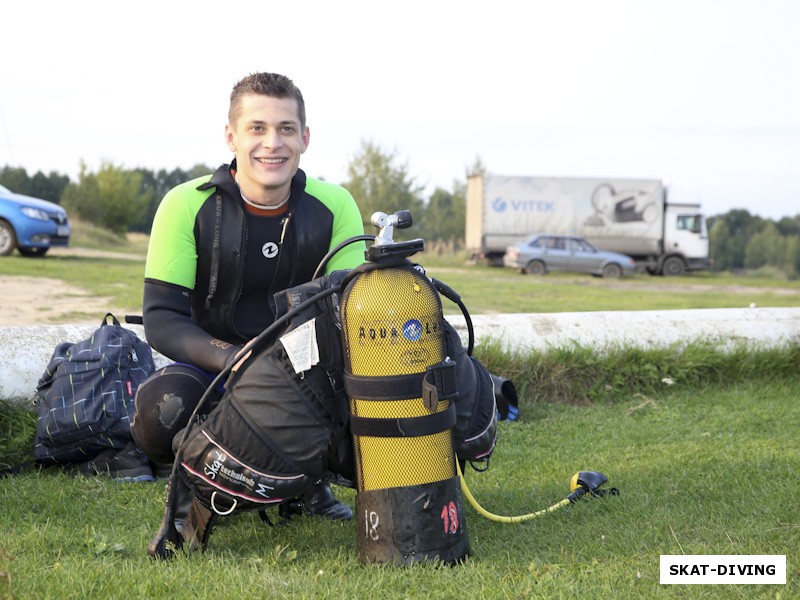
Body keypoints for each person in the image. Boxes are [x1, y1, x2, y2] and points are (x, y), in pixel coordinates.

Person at [131, 72, 366, 523]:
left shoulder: (335, 204)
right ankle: (204, 473)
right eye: (257, 128)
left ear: (305, 138)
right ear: (231, 136)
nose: (272, 143)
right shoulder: (184, 203)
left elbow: (349, 308)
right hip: (213, 368)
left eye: (286, 129)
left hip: (307, 378)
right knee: (160, 410)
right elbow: (162, 318)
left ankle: (307, 484)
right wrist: (235, 359)